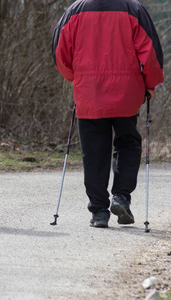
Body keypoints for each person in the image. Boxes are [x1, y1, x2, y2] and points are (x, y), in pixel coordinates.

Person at [52, 0, 163, 227]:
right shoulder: (134, 9)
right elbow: (150, 52)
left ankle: (99, 211)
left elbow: (59, 52)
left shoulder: (75, 10)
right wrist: (151, 84)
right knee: (128, 143)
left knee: (93, 152)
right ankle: (121, 196)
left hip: (89, 93)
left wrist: (77, 77)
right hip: (127, 93)